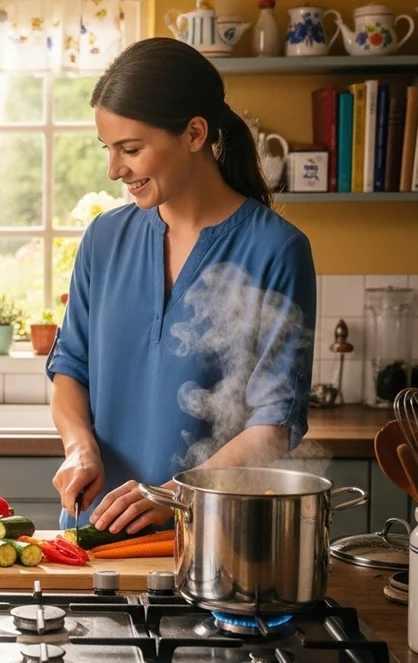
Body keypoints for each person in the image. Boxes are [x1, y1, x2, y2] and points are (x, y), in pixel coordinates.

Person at [46, 37, 317, 536]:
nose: (114, 170)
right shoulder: (103, 239)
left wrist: (176, 496)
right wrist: (79, 447)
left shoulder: (276, 250)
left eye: (131, 149)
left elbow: (274, 425)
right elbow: (70, 369)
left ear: (194, 133)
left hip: (210, 541)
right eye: (108, 149)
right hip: (92, 537)